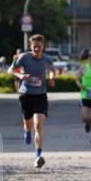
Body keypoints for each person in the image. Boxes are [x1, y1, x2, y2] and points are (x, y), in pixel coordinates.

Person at [8, 34, 55, 168]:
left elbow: (52, 70)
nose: (37, 48)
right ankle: (27, 132)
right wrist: (21, 75)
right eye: (34, 46)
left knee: (38, 125)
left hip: (40, 95)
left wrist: (52, 78)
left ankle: (38, 155)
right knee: (28, 124)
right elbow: (10, 70)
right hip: (26, 95)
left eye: (39, 46)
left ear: (43, 47)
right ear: (31, 46)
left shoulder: (47, 59)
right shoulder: (24, 57)